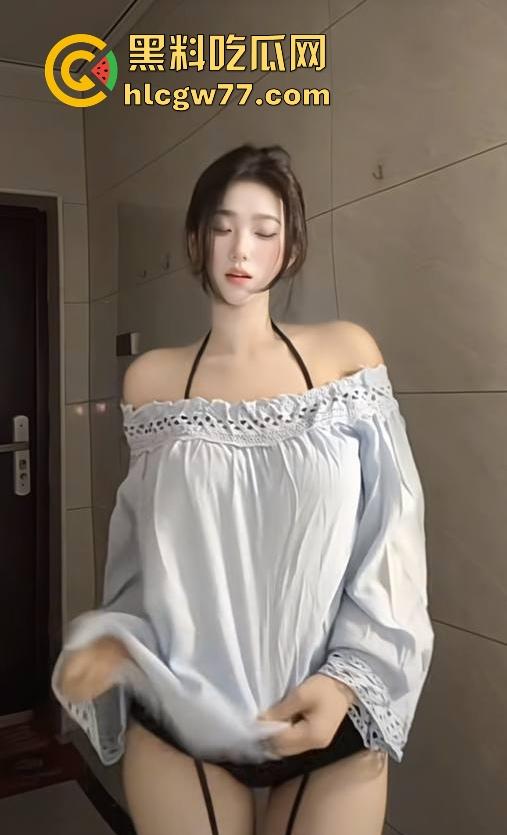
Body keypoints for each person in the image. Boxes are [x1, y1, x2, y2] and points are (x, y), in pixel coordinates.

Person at [51, 144, 434, 835]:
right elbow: (147, 554)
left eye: (264, 229)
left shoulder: (346, 357)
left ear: (292, 246)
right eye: (223, 227)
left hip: (328, 706)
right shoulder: (152, 382)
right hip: (182, 712)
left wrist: (347, 680)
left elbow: (393, 537)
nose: (241, 249)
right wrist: (115, 640)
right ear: (195, 238)